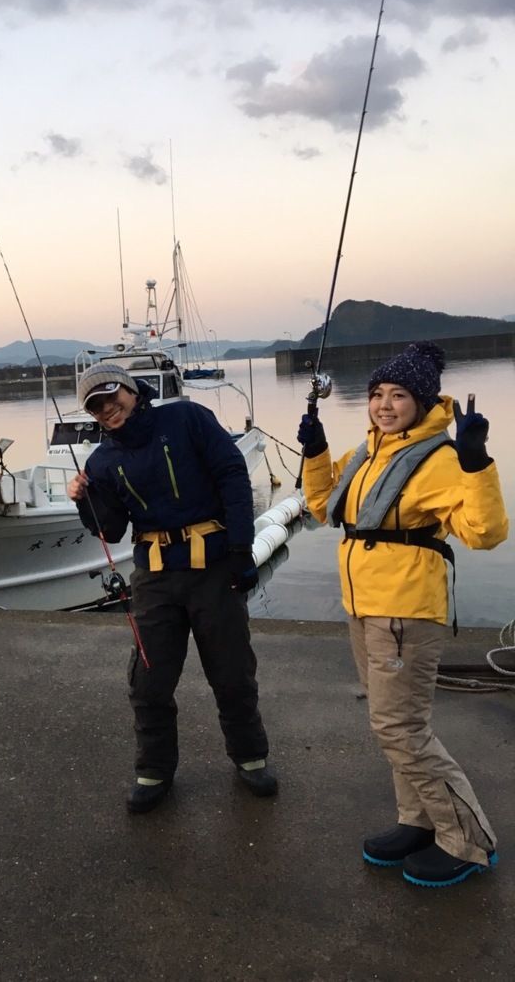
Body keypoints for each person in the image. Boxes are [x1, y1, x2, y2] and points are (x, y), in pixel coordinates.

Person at [297, 341, 508, 888]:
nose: (385, 405)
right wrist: (316, 453)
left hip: (405, 612)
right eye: (377, 395)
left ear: (422, 401)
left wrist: (478, 461)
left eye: (398, 395)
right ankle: (418, 821)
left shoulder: (441, 459)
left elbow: (485, 533)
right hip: (363, 607)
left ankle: (468, 840)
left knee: (401, 729)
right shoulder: (368, 454)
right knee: (394, 726)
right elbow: (323, 508)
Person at [67, 361, 277, 813]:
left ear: (130, 390)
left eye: (112, 397)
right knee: (149, 681)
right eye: (96, 406)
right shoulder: (101, 461)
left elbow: (232, 476)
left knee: (231, 670)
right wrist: (87, 501)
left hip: (215, 568)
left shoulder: (186, 418)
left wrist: (242, 549)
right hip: (155, 579)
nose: (108, 409)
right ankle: (154, 769)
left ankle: (250, 757)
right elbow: (113, 530)